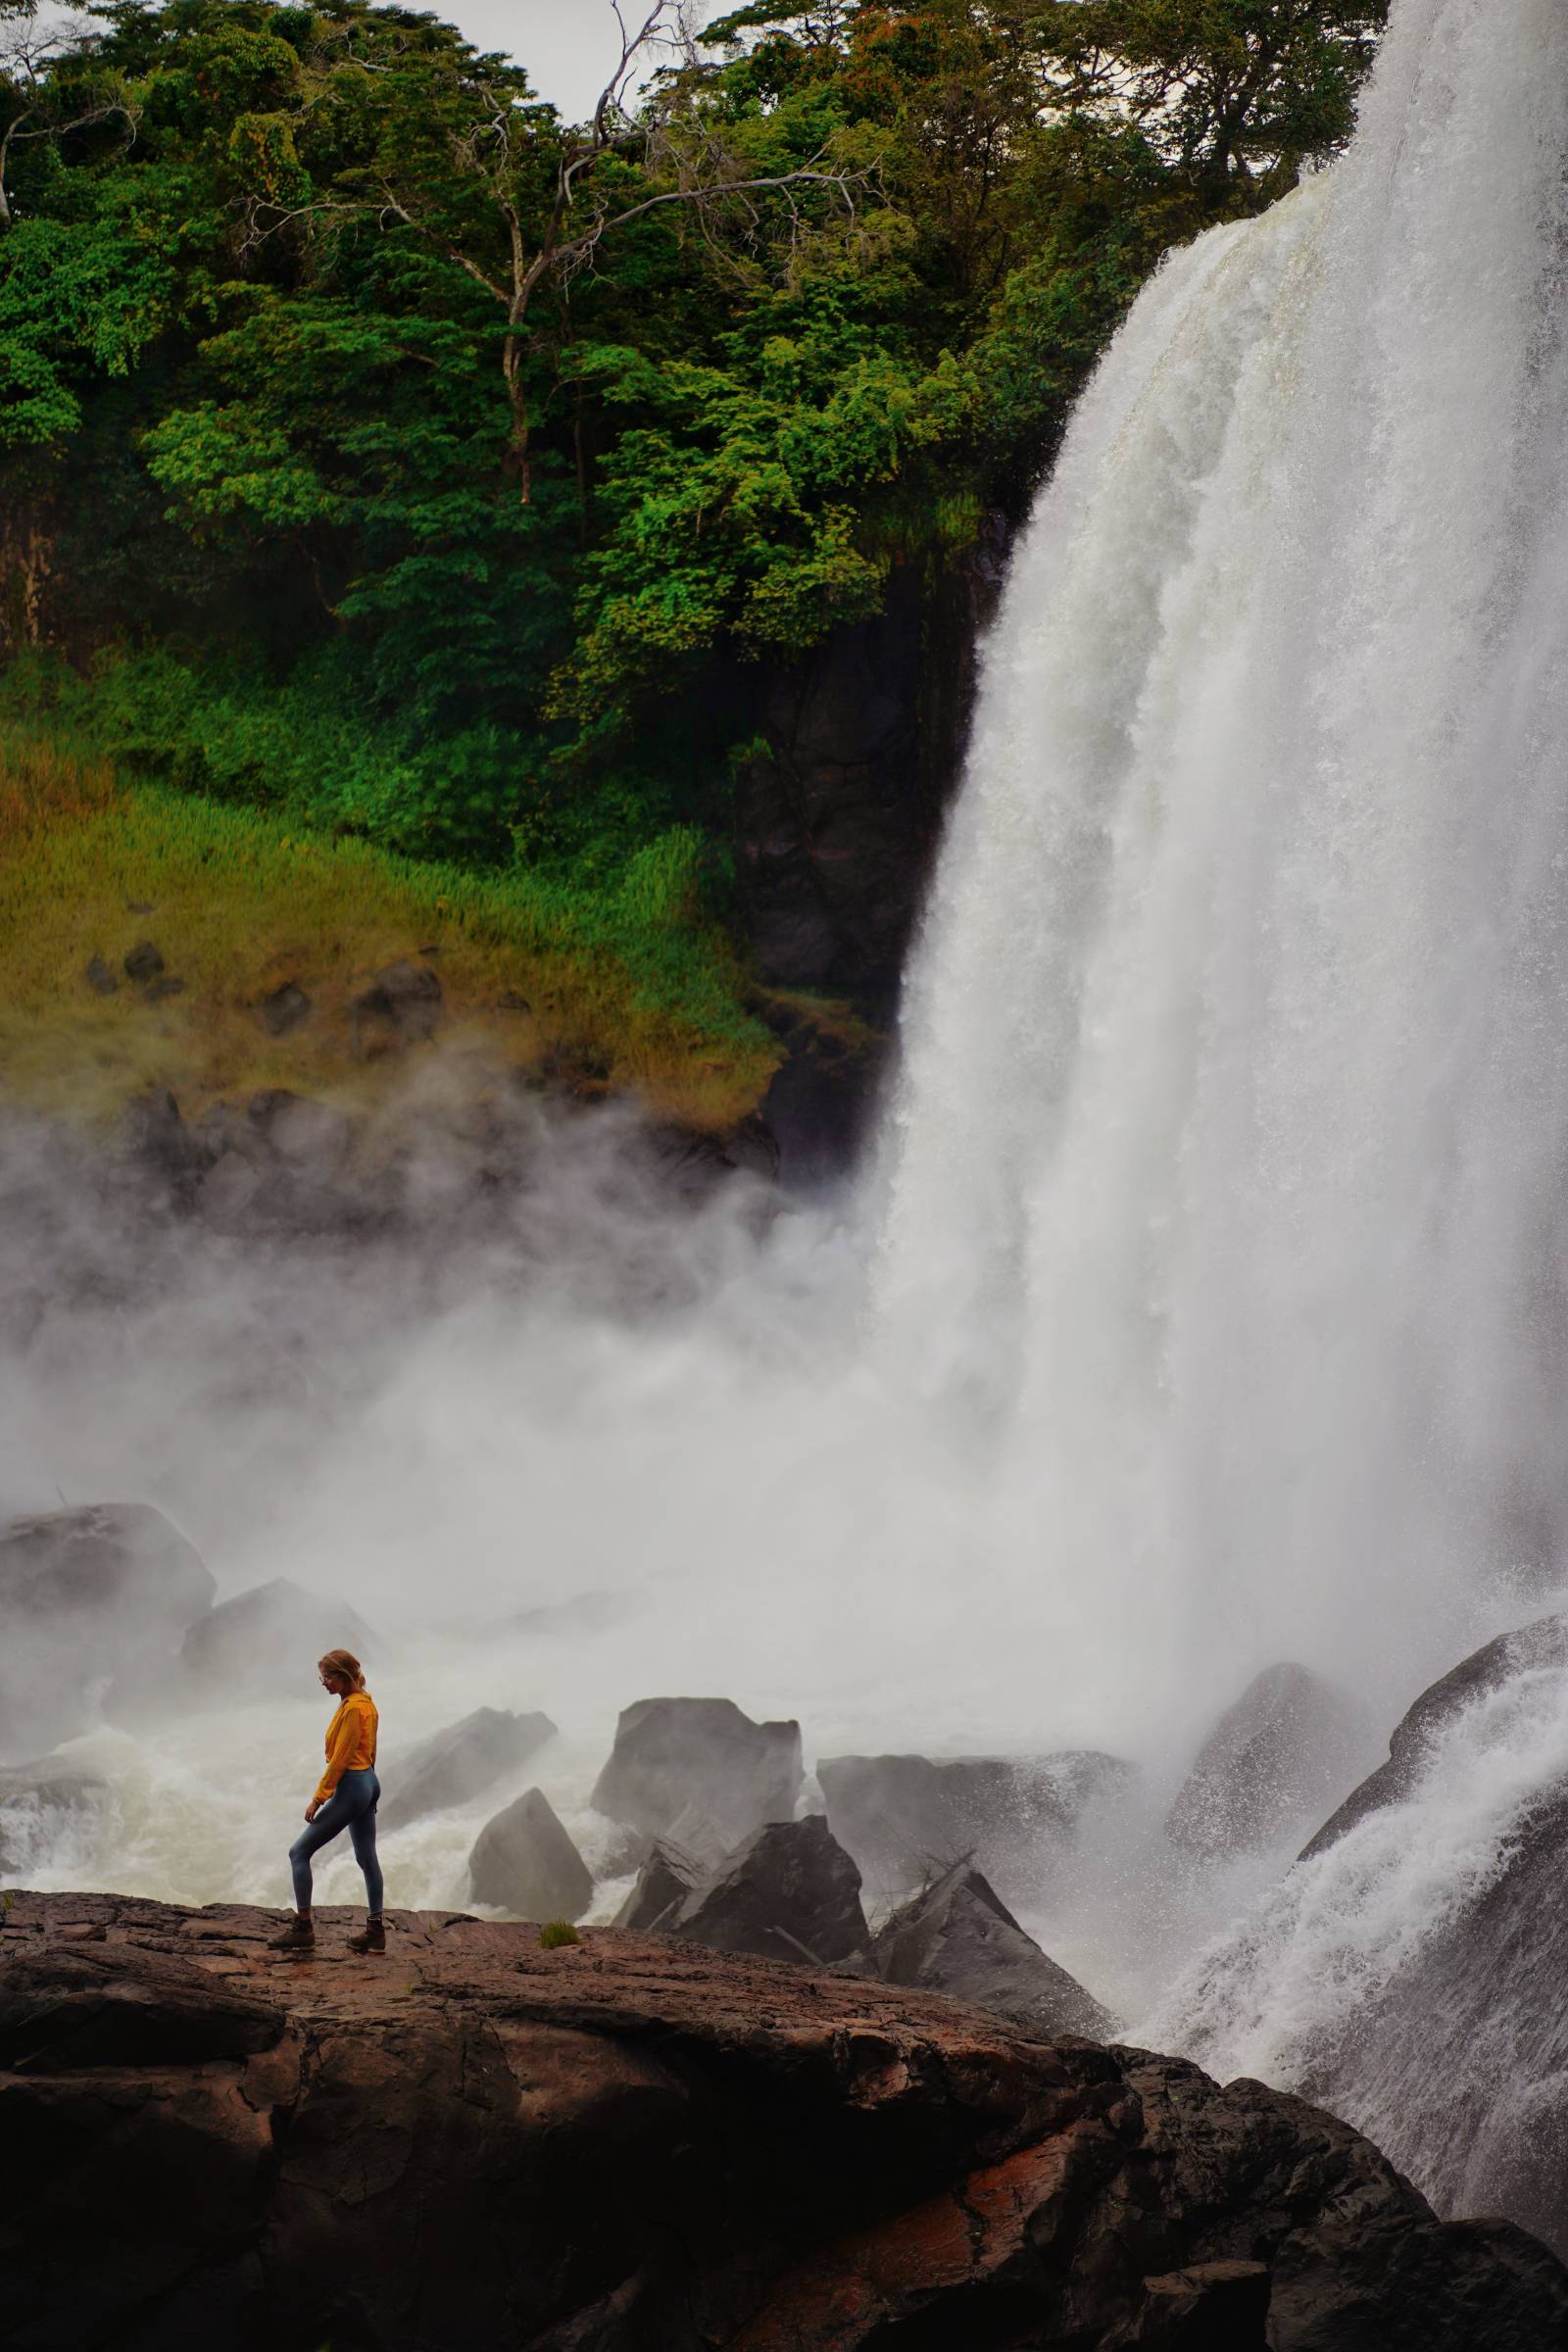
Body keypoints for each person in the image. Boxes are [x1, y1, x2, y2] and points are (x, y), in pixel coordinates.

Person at [270, 1648, 385, 1954]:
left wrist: (318, 1799)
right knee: (367, 1858)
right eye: (322, 1676)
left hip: (352, 1785)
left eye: (328, 1676)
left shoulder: (351, 1709)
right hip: (369, 1781)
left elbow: (340, 1760)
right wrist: (369, 1784)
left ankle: (303, 1928)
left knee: (299, 1853)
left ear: (344, 1676)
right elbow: (370, 1749)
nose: (324, 1682)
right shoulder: (367, 1704)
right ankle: (376, 1931)